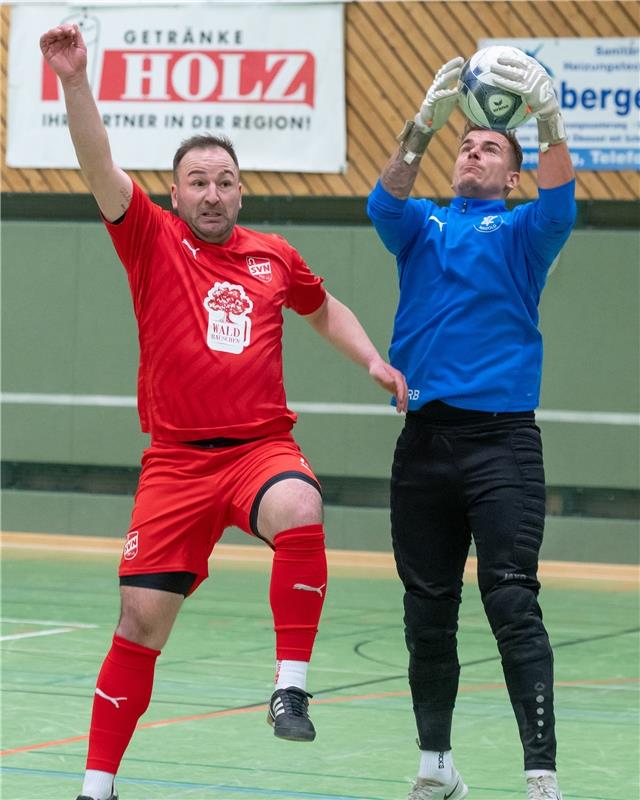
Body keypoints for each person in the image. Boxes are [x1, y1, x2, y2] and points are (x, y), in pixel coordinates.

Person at [40, 23, 408, 800]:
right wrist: (75, 79)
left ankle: (291, 686)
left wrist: (372, 359)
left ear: (242, 189)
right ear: (175, 193)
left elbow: (323, 307)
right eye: (198, 181)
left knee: (302, 504)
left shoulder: (273, 256)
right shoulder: (149, 239)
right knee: (139, 622)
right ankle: (96, 788)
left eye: (225, 180)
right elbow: (99, 163)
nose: (212, 193)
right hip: (175, 463)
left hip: (258, 450)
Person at [367, 53, 576, 800]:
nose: (471, 150)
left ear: (513, 175)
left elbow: (562, 206)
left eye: (488, 146)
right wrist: (423, 124)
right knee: (427, 611)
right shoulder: (421, 223)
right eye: (466, 143)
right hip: (422, 443)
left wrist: (547, 120)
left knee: (512, 601)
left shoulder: (525, 232)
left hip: (501, 446)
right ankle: (435, 767)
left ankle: (541, 775)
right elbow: (380, 206)